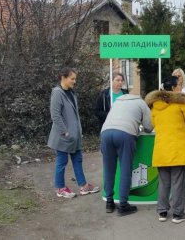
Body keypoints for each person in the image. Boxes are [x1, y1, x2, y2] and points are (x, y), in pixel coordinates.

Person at [145, 75, 185, 224]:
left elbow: (153, 123)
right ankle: (178, 214)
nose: (180, 87)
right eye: (179, 85)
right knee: (178, 183)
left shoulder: (155, 105)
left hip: (162, 150)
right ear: (174, 88)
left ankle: (162, 212)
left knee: (164, 182)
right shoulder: (181, 102)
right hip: (179, 150)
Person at [47, 67, 100, 198]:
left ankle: (83, 186)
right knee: (62, 161)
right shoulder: (57, 93)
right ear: (63, 78)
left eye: (75, 78)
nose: (74, 81)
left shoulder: (71, 93)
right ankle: (60, 188)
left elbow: (74, 115)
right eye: (72, 78)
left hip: (74, 136)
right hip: (63, 137)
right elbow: (55, 116)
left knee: (78, 160)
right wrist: (65, 132)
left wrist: (78, 132)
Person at [100, 94, 153, 216]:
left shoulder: (117, 102)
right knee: (125, 169)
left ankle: (109, 202)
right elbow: (149, 127)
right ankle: (123, 205)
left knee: (108, 169)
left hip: (106, 133)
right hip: (125, 134)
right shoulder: (141, 103)